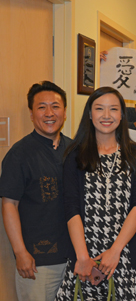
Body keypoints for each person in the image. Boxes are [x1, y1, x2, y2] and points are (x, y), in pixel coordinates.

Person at [56, 87, 136, 300]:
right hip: (83, 256)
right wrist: (82, 257)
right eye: (99, 109)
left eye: (113, 109)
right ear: (90, 114)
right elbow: (71, 207)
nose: (106, 116)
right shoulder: (75, 155)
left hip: (123, 255)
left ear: (122, 115)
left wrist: (115, 251)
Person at [0, 81, 71, 301]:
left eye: (55, 106)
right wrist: (20, 252)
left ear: (64, 112)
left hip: (75, 259)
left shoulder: (75, 150)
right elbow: (9, 204)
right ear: (32, 114)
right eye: (42, 107)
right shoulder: (19, 154)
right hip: (38, 262)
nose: (49, 113)